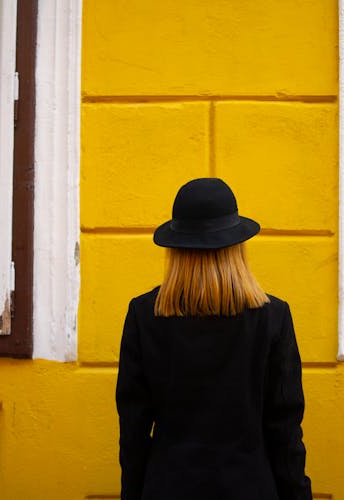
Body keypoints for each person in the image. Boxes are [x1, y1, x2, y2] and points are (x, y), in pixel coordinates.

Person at [116, 178, 312, 500]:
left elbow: (133, 431)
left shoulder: (144, 315)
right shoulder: (272, 317)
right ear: (237, 245)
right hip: (251, 488)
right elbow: (285, 431)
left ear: (176, 248)